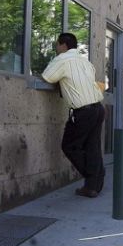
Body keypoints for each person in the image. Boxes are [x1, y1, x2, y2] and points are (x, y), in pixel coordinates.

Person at [42, 32, 106, 198]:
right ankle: (94, 184)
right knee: (93, 147)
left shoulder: (62, 59)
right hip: (98, 108)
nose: (56, 48)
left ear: (63, 45)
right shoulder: (85, 62)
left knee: (69, 146)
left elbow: (47, 77)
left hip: (83, 111)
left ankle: (93, 176)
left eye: (57, 45)